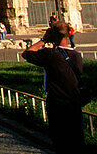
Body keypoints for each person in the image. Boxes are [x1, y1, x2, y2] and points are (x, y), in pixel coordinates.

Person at [22, 21, 84, 154]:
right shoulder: (77, 56)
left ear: (52, 35)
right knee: (76, 139)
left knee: (60, 141)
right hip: (74, 101)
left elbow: (27, 53)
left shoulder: (50, 55)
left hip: (57, 103)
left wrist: (44, 40)